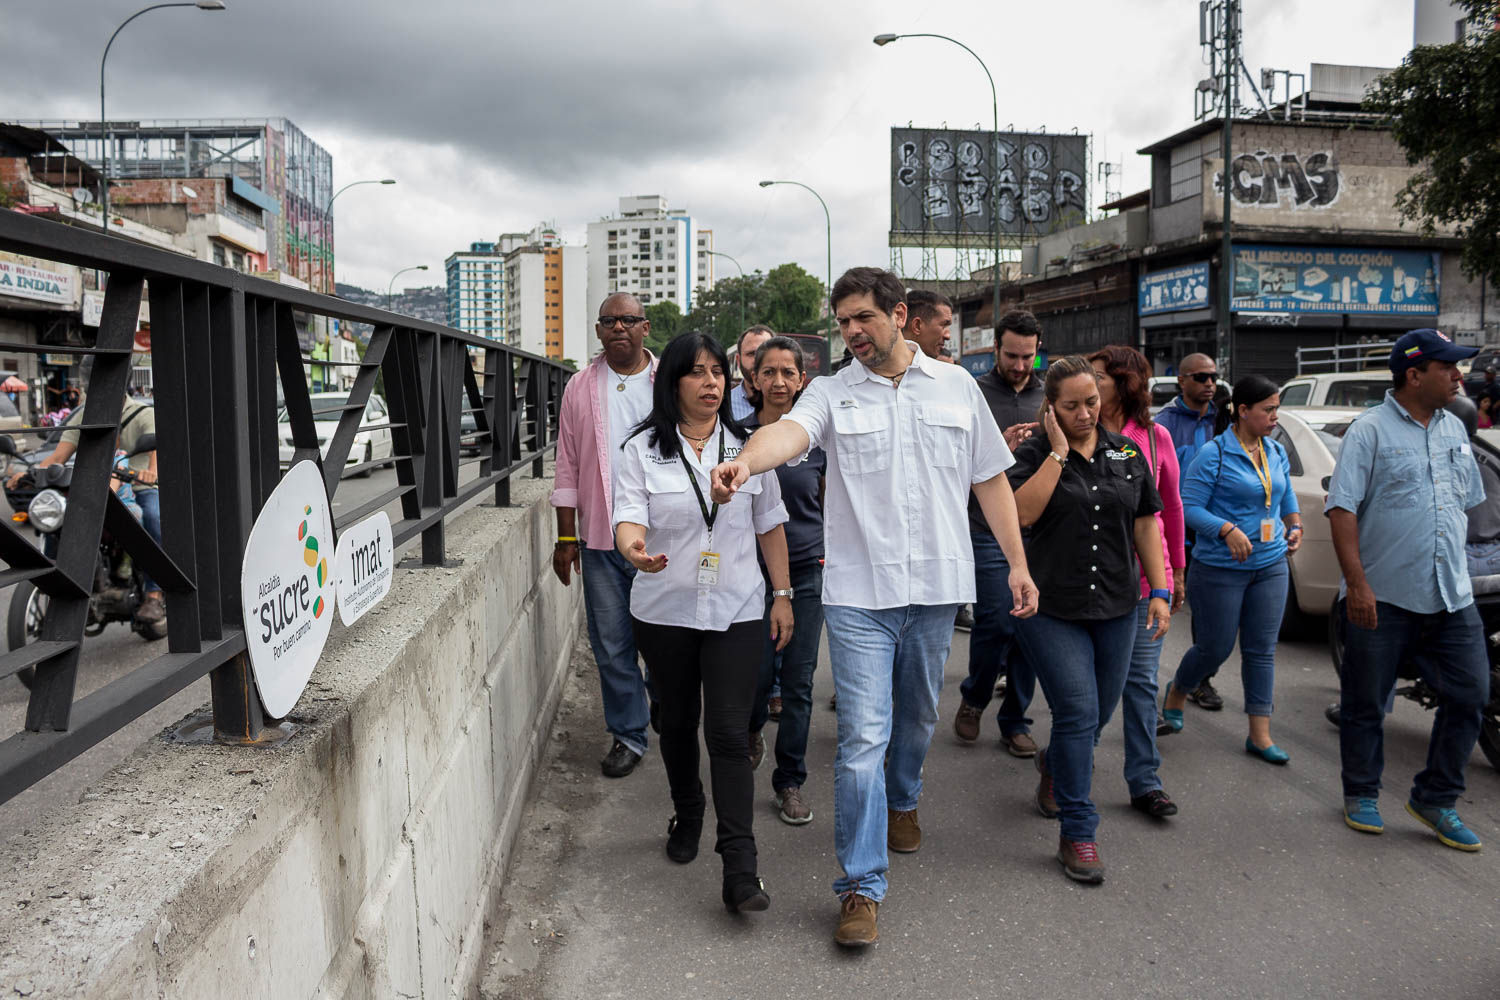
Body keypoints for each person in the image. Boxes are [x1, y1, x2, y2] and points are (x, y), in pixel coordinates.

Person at [709, 266, 1037, 947]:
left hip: (936, 590)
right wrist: (747, 460)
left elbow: (990, 482)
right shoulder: (831, 391)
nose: (852, 332)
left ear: (899, 313)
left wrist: (1017, 565)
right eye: (843, 322)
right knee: (862, 737)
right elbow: (791, 433)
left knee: (916, 716)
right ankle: (861, 885)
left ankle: (906, 797)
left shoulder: (956, 387)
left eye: (863, 317)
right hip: (858, 593)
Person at [613, 331, 793, 913]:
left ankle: (741, 866)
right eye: (697, 372)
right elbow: (628, 518)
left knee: (727, 732)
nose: (712, 382)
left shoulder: (750, 446)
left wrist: (783, 594)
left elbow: (769, 524)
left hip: (737, 608)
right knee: (678, 721)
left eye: (718, 371)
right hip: (664, 610)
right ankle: (687, 812)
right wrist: (635, 550)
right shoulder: (641, 449)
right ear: (673, 383)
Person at [1010, 355, 1170, 884]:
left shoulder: (1126, 452)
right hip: (1050, 607)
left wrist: (1161, 589)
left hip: (1117, 607)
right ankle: (1078, 831)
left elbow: (1147, 524)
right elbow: (1021, 514)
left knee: (1098, 715)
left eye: (1092, 402)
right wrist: (1057, 454)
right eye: (1072, 406)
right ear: (1051, 408)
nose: (1085, 413)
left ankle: (1056, 767)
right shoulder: (1033, 451)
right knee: (1079, 713)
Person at [1328, 328, 1487, 851]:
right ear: (1414, 374)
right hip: (1385, 596)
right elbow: (1343, 509)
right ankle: (1361, 792)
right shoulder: (1369, 431)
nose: (1459, 376)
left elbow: (1466, 507)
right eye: (1448, 368)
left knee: (1470, 696)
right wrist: (1357, 585)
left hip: (1451, 595)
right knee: (1366, 702)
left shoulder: (1455, 430)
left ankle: (1436, 799)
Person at [1162, 375, 1301, 762]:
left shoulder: (1274, 450)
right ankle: (1179, 689)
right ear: (1242, 411)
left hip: (1271, 564)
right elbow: (1187, 508)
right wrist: (1225, 529)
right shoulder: (1214, 454)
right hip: (1220, 568)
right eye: (1268, 410)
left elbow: (1284, 492)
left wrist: (1295, 524)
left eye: (1277, 409)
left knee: (1261, 651)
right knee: (1215, 648)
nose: (1276, 416)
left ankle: (1260, 734)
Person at [551, 293, 658, 779]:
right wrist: (565, 539)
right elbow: (567, 465)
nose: (620, 328)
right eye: (610, 321)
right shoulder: (579, 386)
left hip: (661, 537)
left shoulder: (668, 382)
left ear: (645, 327)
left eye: (629, 320)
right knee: (611, 643)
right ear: (598, 331)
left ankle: (667, 712)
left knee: (664, 639)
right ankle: (629, 734)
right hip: (598, 538)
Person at [1088, 345, 1185, 819]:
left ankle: (1145, 781)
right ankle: (1067, 761)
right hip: (1090, 583)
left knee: (1142, 685)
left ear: (1124, 384)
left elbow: (1170, 509)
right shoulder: (1074, 432)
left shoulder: (1154, 437)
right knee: (1092, 696)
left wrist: (1175, 573)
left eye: (1099, 378)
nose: (1090, 385)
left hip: (1145, 584)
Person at [953, 309, 1046, 755]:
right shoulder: (973, 393)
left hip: (1038, 529)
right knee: (995, 619)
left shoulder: (1049, 398)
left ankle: (1015, 718)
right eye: (1012, 355)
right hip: (985, 525)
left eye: (1028, 356)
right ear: (995, 349)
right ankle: (974, 697)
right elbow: (954, 460)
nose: (1020, 365)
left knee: (1028, 625)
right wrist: (996, 450)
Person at [10, 356, 164, 626]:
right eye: (91, 379)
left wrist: (151, 472)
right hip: (97, 488)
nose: (94, 385)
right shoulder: (84, 416)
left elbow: (153, 457)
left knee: (152, 517)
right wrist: (27, 471)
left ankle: (154, 592)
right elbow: (57, 457)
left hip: (139, 486)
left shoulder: (143, 414)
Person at [743, 336, 826, 825]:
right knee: (753, 676)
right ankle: (752, 727)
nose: (777, 381)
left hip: (807, 569)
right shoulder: (735, 438)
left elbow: (833, 502)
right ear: (754, 380)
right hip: (747, 573)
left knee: (798, 682)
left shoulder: (816, 439)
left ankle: (789, 779)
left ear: (801, 381)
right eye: (767, 372)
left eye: (787, 373)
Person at [1154, 351, 1226, 712]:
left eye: (1213, 376)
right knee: (1179, 606)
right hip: (1179, 531)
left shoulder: (1223, 418)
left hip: (1218, 530)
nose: (1209, 383)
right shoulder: (1165, 424)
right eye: (1200, 377)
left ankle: (1200, 680)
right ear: (1181, 381)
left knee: (1211, 616)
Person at [729, 325, 775, 421]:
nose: (758, 359)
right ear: (738, 360)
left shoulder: (796, 405)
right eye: (751, 354)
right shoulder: (723, 405)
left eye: (764, 353)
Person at [903, 289, 955, 362]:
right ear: (917, 326)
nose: (948, 336)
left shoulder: (953, 373)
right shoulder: (882, 371)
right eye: (944, 325)